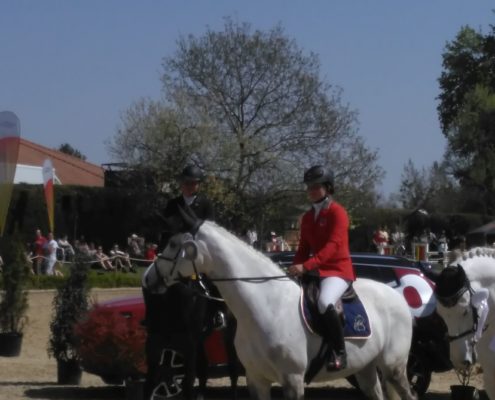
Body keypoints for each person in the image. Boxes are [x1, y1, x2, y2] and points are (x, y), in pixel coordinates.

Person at [288, 165, 355, 371]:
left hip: (337, 270)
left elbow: (333, 247)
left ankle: (339, 352)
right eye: (309, 187)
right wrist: (294, 267)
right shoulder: (307, 217)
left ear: (328, 187)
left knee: (325, 302)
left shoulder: (338, 213)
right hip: (315, 270)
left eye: (316, 187)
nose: (311, 191)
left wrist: (306, 265)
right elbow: (303, 248)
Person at [161, 165, 214, 244]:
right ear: (181, 183)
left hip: (197, 247)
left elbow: (209, 230)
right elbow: (166, 228)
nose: (189, 186)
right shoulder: (173, 204)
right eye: (186, 183)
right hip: (175, 247)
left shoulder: (206, 204)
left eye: (193, 183)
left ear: (199, 185)